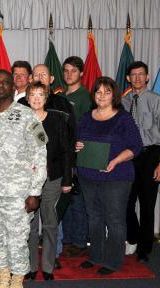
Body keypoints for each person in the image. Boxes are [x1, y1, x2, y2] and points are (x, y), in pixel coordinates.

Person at [0, 70, 47, 288]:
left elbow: (40, 153)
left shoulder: (28, 116)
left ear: (14, 86)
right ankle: (3, 280)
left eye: (6, 82)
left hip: (17, 192)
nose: (1, 85)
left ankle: (18, 282)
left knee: (17, 239)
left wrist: (35, 191)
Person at [77, 77, 142, 275]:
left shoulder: (124, 118)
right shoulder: (87, 117)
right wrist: (76, 145)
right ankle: (96, 256)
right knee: (94, 217)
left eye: (106, 92)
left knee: (114, 219)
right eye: (98, 92)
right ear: (93, 95)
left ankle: (113, 261)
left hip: (116, 177)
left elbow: (136, 147)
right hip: (88, 176)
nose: (102, 96)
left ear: (113, 95)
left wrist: (116, 161)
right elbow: (78, 141)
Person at [19, 63, 76, 269]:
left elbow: (67, 151)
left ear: (46, 97)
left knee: (50, 221)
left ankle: (48, 265)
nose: (36, 99)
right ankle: (32, 266)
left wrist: (68, 180)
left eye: (40, 95)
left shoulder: (57, 119)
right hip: (26, 179)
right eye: (32, 95)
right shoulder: (20, 119)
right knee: (30, 224)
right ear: (27, 98)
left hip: (52, 177)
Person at [123, 61, 160, 263]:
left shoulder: (158, 101)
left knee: (146, 204)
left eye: (141, 74)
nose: (137, 78)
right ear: (128, 78)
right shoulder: (124, 101)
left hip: (151, 155)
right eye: (133, 75)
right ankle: (134, 236)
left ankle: (145, 248)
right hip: (129, 156)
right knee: (126, 203)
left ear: (147, 77)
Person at [60, 56, 92, 258]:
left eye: (73, 70)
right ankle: (69, 239)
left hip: (78, 157)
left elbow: (87, 127)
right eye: (66, 70)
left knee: (78, 200)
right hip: (63, 156)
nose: (69, 74)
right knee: (66, 200)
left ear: (81, 73)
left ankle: (80, 241)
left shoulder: (85, 96)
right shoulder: (61, 96)